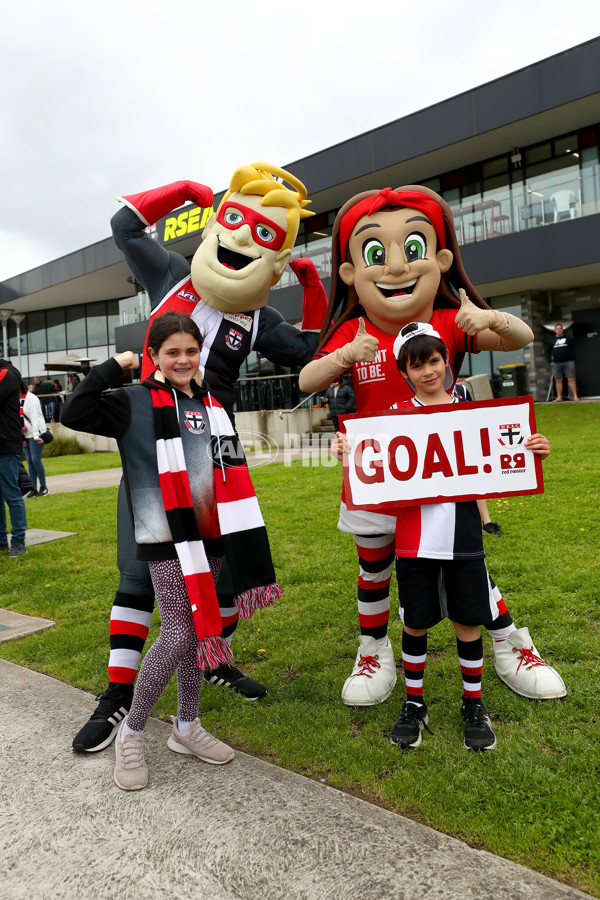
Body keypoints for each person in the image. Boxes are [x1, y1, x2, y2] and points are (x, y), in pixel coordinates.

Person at [71, 163, 328, 753]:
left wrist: (312, 287)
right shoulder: (169, 277)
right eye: (233, 220)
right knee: (141, 574)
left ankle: (212, 659)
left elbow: (314, 354)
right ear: (216, 222)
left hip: (214, 454)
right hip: (151, 440)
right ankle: (116, 698)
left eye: (263, 236)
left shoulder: (258, 315)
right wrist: (186, 192)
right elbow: (125, 226)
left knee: (220, 571)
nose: (240, 243)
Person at [300, 185, 565, 706]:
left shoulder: (444, 323)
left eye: (413, 249)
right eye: (376, 254)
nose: (397, 267)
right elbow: (308, 379)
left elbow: (523, 338)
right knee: (374, 561)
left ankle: (509, 640)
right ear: (351, 271)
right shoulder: (355, 330)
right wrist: (343, 357)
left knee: (468, 557)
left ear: (441, 260)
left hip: (446, 470)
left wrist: (491, 319)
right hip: (382, 472)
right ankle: (373, 647)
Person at [63, 312, 283, 789]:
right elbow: (73, 412)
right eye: (172, 352)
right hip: (163, 535)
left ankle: (186, 726)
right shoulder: (131, 401)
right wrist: (113, 366)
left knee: (201, 629)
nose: (183, 360)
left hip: (211, 531)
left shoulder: (212, 405)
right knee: (181, 631)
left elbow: (228, 469)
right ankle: (133, 731)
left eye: (190, 351)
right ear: (155, 357)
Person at [332, 323, 552, 750]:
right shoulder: (394, 417)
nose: (428, 371)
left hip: (464, 534)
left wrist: (534, 449)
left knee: (468, 620)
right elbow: (370, 460)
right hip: (413, 536)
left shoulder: (472, 412)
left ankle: (474, 703)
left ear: (446, 363)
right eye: (417, 365)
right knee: (415, 622)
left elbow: (503, 453)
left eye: (433, 361)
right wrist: (347, 449)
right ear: (404, 371)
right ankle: (415, 702)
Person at [0, 356, 27, 557]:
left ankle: (18, 542)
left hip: (6, 445)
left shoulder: (8, 374)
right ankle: (1, 541)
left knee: (12, 495)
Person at [20, 380, 49, 498]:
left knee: (35, 459)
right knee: (30, 461)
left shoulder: (31, 398)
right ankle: (33, 488)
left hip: (35, 433)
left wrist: (36, 435)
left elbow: (35, 418)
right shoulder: (15, 399)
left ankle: (44, 487)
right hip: (23, 435)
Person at [546, 323, 579, 402]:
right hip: (556, 363)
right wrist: (550, 361)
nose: (559, 330)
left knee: (571, 378)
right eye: (557, 329)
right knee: (558, 379)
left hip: (568, 362)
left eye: (560, 328)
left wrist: (572, 359)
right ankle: (559, 397)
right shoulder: (551, 340)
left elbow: (573, 348)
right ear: (555, 330)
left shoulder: (568, 338)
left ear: (562, 329)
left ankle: (575, 396)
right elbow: (547, 351)